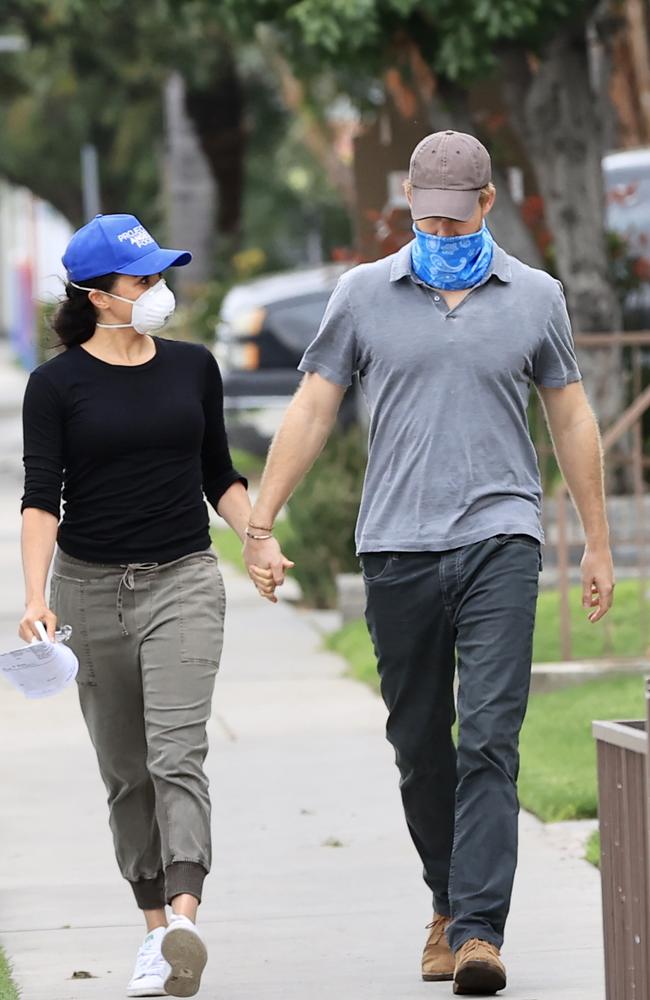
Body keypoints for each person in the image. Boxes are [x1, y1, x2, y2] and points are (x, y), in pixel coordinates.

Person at [242, 131, 615, 995]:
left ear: (489, 204)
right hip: (397, 546)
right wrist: (260, 522)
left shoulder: (535, 296)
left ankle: (479, 932)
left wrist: (596, 541)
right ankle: (446, 904)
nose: (442, 236)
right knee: (419, 746)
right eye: (427, 219)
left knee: (489, 737)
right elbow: (311, 409)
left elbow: (571, 417)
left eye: (456, 219)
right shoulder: (364, 293)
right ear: (408, 204)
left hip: (501, 538)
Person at [19, 214, 256, 998]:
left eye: (159, 276)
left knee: (175, 753)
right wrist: (32, 598)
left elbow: (219, 472)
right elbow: (39, 500)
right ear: (95, 295)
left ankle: (185, 920)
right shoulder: (55, 386)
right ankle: (155, 937)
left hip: (183, 579)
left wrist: (256, 534)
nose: (157, 291)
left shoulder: (193, 367)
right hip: (87, 592)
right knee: (126, 776)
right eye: (140, 280)